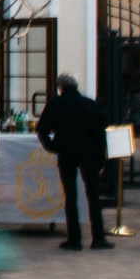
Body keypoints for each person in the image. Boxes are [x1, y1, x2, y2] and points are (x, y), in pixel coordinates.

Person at [35, 72, 111, 250]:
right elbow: (101, 134)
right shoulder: (89, 104)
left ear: (60, 87)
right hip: (90, 154)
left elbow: (42, 130)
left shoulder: (55, 104)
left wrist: (53, 146)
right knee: (93, 196)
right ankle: (98, 237)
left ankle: (74, 238)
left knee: (71, 196)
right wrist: (101, 159)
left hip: (67, 152)